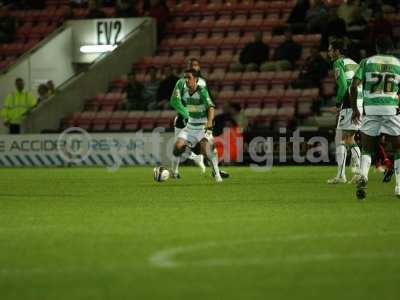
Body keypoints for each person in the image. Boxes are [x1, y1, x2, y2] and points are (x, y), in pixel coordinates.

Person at [350, 36, 400, 199]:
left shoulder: (366, 62)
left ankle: (363, 175)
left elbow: (353, 86)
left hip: (370, 109)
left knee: (367, 149)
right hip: (391, 109)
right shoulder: (397, 63)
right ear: (391, 49)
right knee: (398, 149)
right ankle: (399, 187)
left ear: (377, 47)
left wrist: (355, 109)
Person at [171, 57, 229, 178]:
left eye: (196, 65)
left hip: (200, 121)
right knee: (178, 147)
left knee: (206, 147)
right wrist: (185, 114)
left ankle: (215, 170)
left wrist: (209, 120)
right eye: (191, 65)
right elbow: (175, 101)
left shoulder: (202, 84)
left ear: (199, 68)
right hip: (184, 119)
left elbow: (209, 103)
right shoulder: (181, 83)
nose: (193, 66)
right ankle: (174, 172)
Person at [326, 39, 363, 184]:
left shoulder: (338, 63)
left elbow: (342, 86)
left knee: (343, 139)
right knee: (346, 138)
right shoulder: (353, 63)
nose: (329, 53)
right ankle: (349, 174)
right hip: (360, 100)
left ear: (337, 51)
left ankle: (351, 174)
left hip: (349, 101)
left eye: (330, 49)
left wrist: (337, 104)